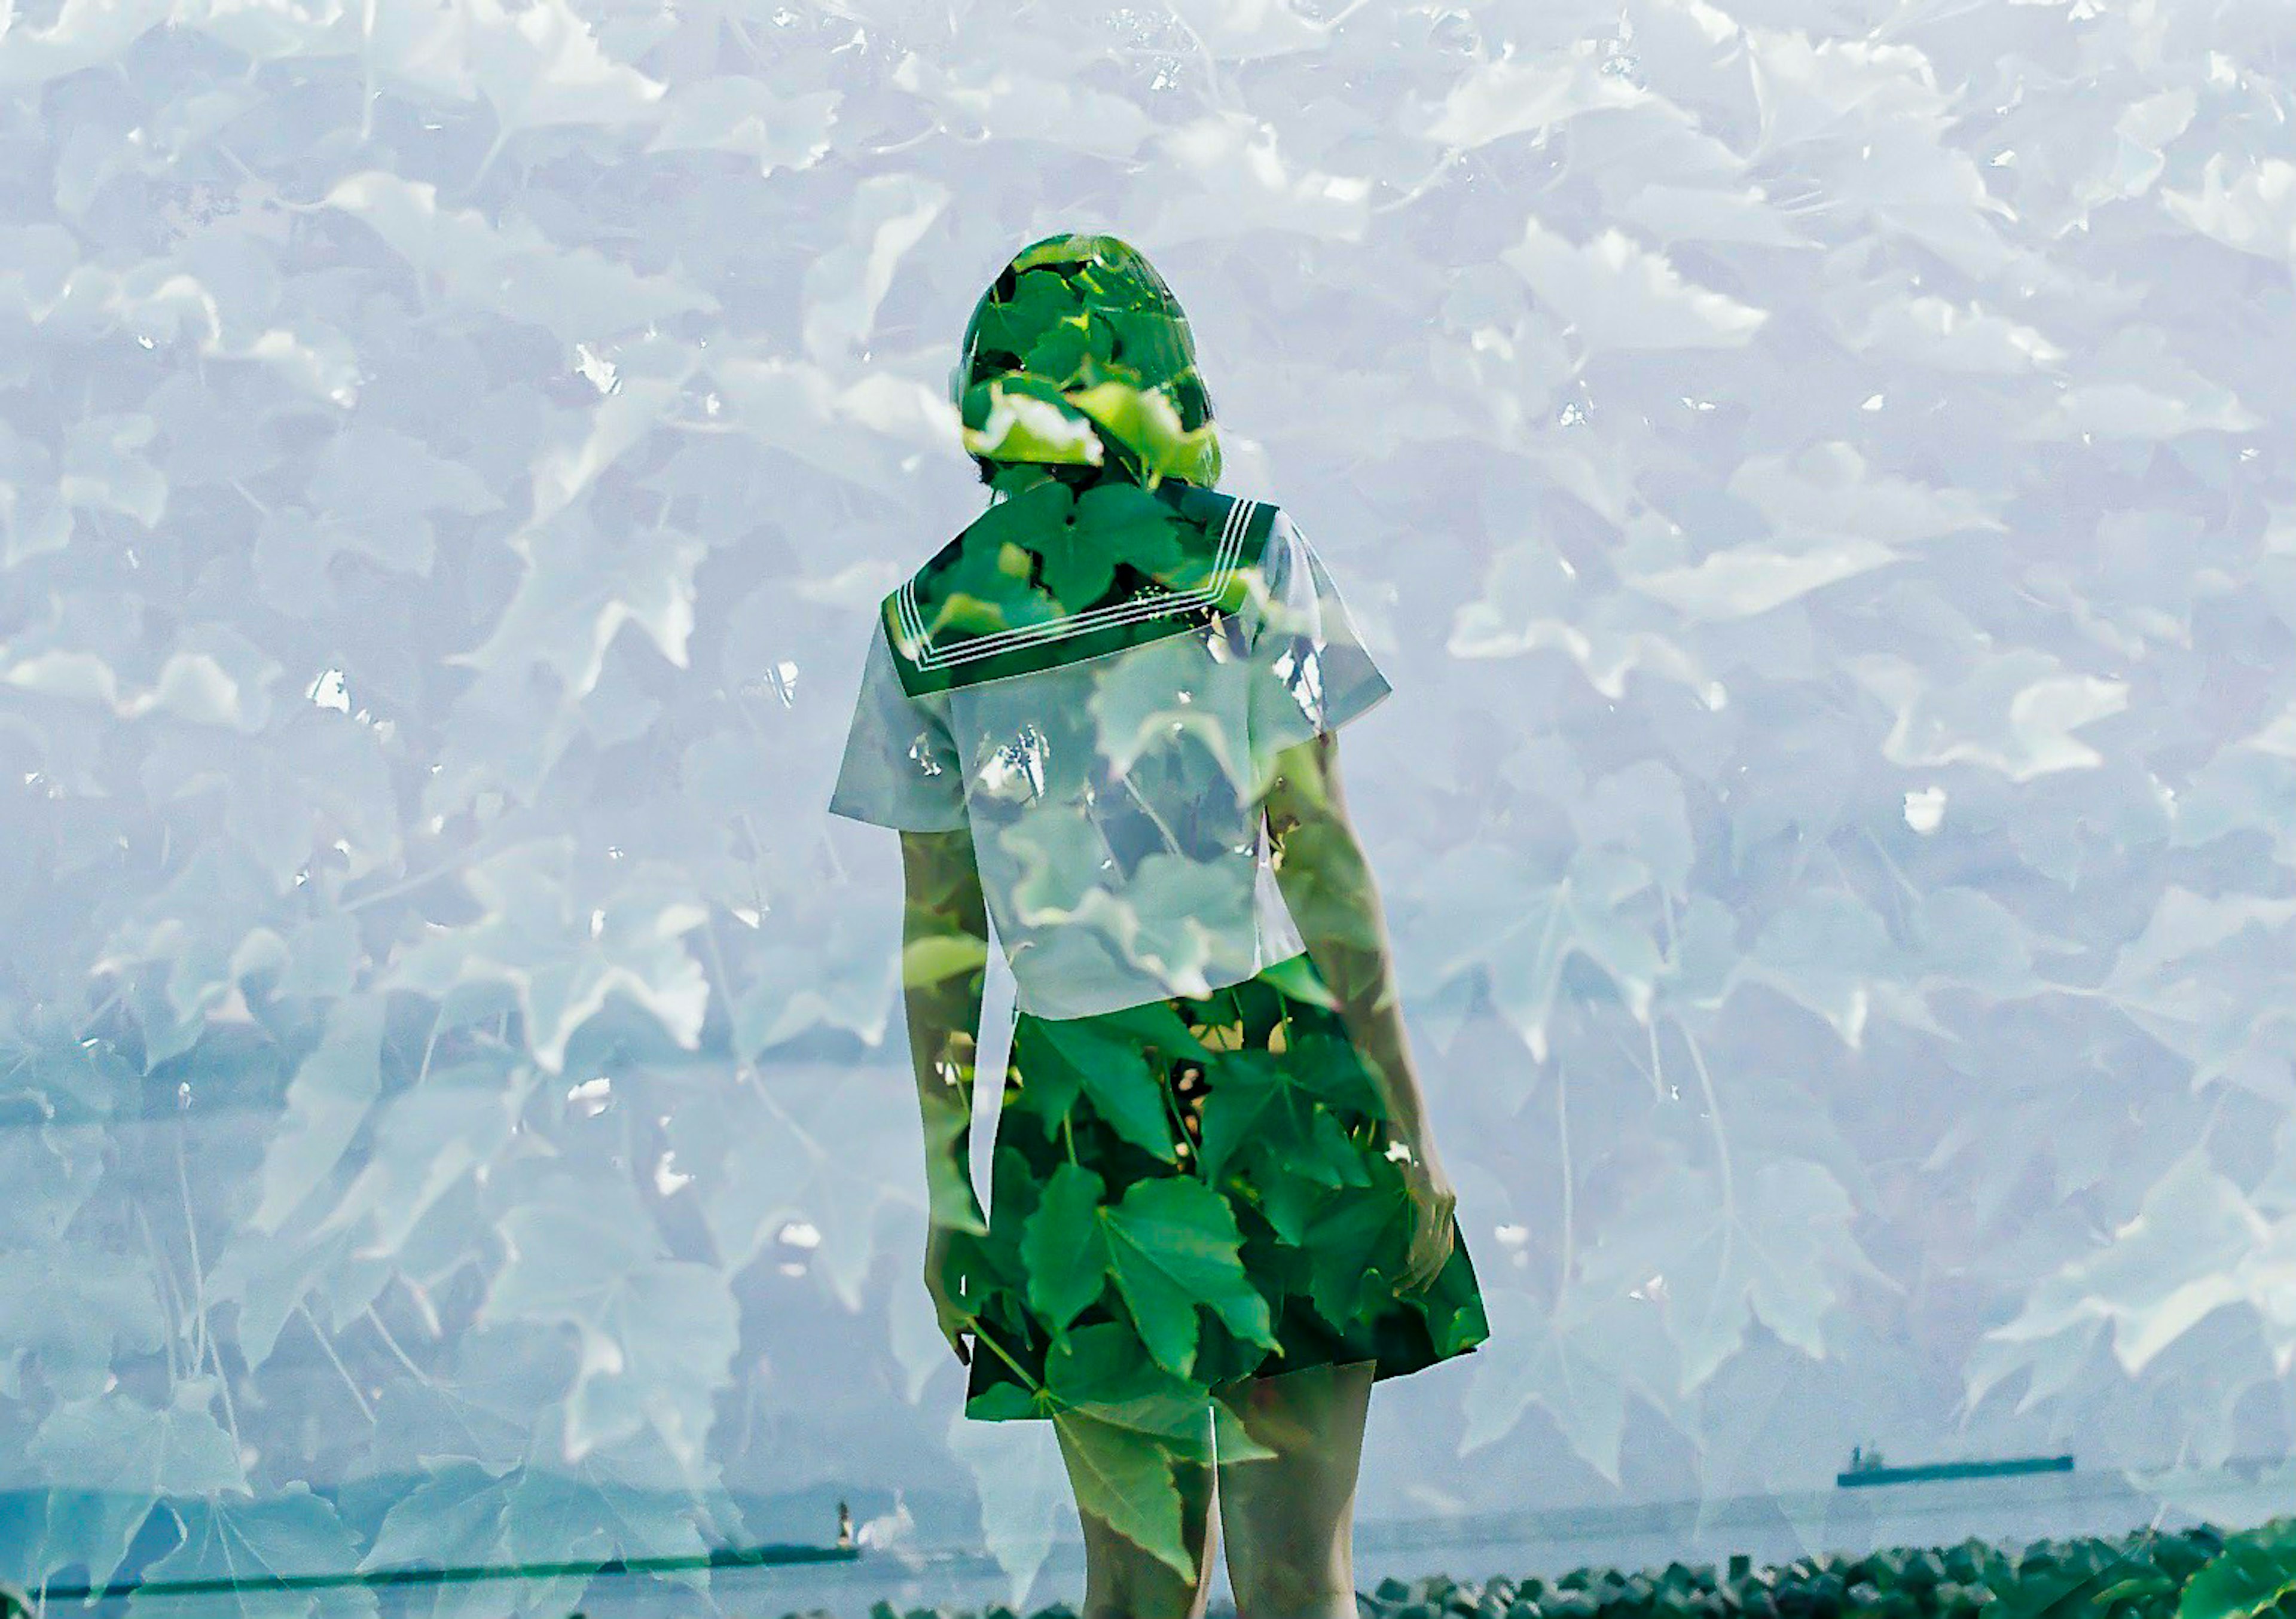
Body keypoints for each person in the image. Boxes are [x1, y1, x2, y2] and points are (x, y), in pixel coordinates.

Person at [828, 232, 1489, 1619]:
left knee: (1133, 1595)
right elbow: (1319, 861)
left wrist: (950, 1190)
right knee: (1302, 1584)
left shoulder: (925, 626)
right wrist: (1412, 1131)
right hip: (1278, 1083)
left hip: (1079, 1114)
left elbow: (942, 946)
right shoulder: (1248, 557)